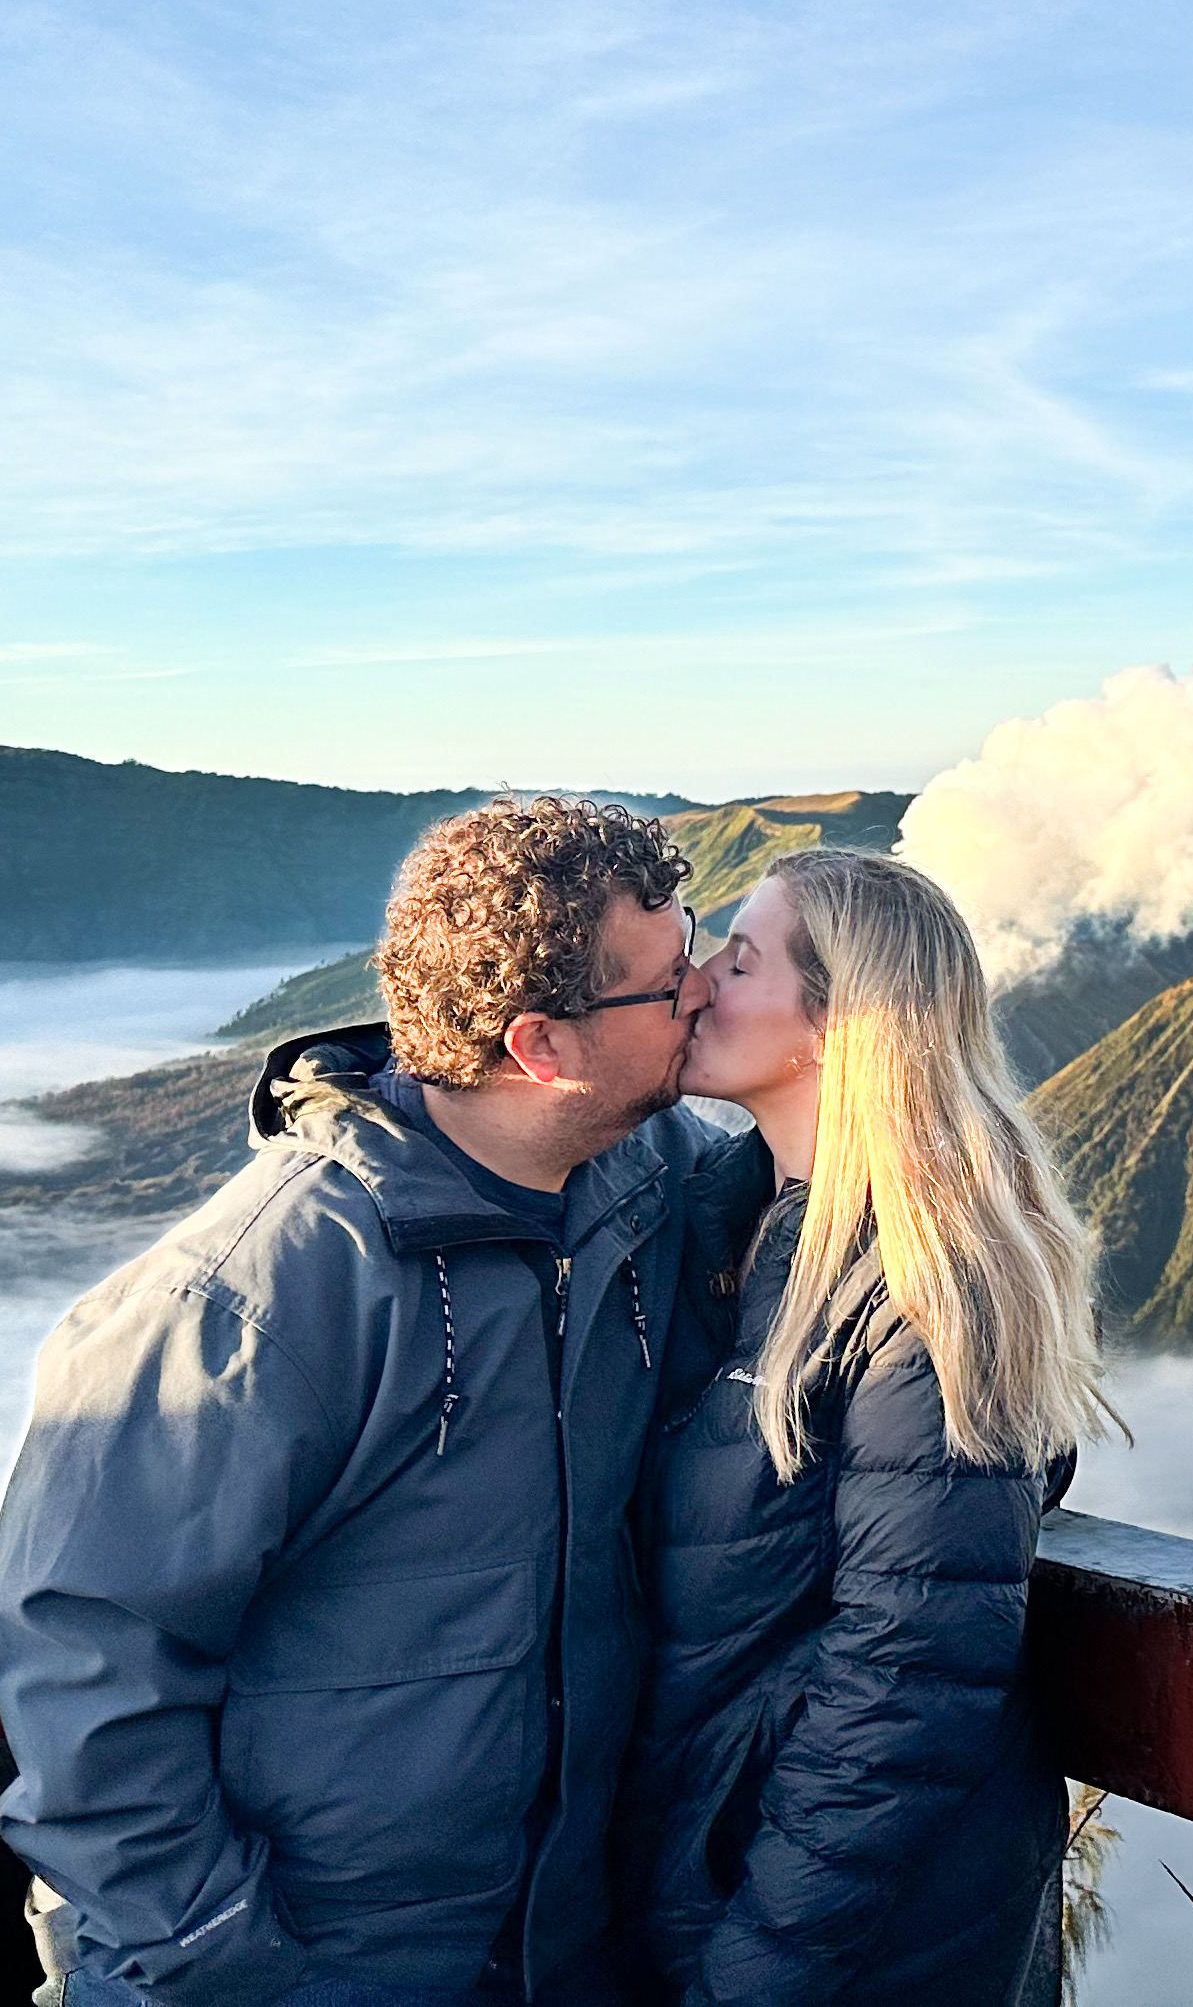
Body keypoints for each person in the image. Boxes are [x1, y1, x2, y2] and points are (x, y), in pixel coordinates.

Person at [0, 796, 714, 2007]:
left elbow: (856, 1294)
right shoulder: (247, 1305)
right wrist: (239, 1967)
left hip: (546, 1953)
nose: (701, 989)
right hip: (293, 1972)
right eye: (670, 978)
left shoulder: (644, 1185)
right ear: (544, 1047)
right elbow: (82, 1675)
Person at [620, 848, 1107, 2007]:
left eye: (738, 962)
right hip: (721, 1868)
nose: (696, 986)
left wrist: (752, 1973)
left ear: (840, 1028)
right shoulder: (725, 1226)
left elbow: (907, 1680)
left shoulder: (928, 1287)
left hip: (853, 1939)